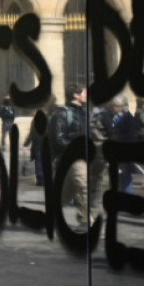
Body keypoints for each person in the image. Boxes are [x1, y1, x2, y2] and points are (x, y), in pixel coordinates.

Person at [49, 83, 88, 228]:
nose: (86, 95)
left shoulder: (84, 112)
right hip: (69, 157)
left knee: (66, 193)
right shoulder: (61, 113)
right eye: (84, 92)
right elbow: (57, 139)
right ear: (75, 95)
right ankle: (85, 221)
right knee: (83, 186)